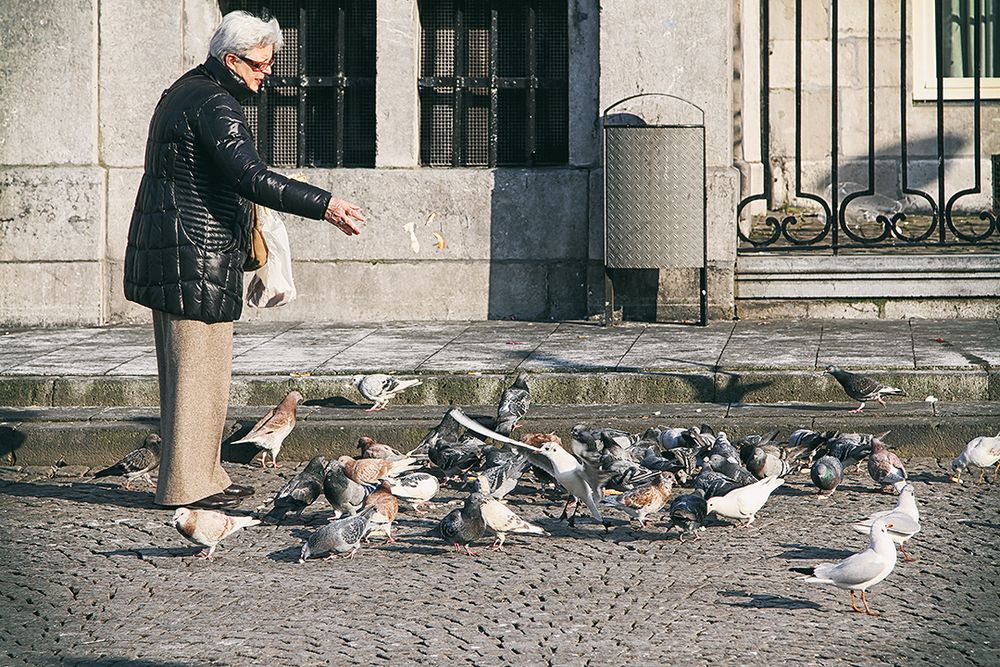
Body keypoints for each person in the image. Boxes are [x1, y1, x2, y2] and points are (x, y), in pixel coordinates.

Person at [123, 11, 365, 509]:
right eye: (259, 64)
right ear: (231, 60)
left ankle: (205, 475)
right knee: (199, 376)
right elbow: (250, 176)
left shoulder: (184, 90)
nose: (267, 73)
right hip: (197, 252)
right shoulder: (217, 104)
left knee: (187, 376)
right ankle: (187, 489)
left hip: (172, 247)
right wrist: (326, 205)